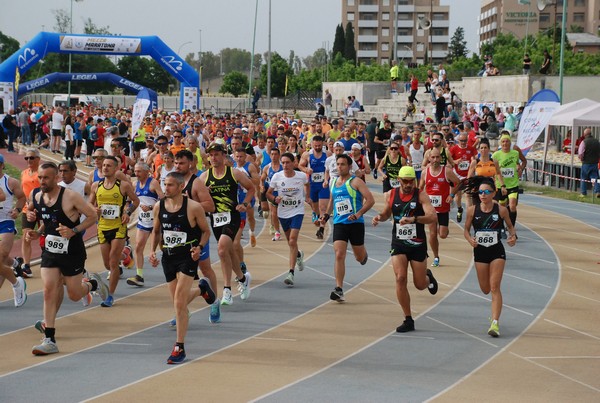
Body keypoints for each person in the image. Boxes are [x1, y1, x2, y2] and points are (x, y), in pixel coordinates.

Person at [25, 162, 109, 355]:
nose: (42, 181)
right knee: (48, 290)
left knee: (74, 294)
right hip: (50, 252)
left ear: (56, 178)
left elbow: (91, 216)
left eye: (46, 177)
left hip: (72, 252)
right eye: (40, 177)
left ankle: (93, 284)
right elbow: (45, 220)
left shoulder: (70, 196)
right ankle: (49, 339)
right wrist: (36, 232)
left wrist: (74, 231)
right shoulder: (37, 196)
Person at [149, 172, 214, 364]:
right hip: (168, 256)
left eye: (169, 185)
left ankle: (179, 347)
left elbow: (206, 231)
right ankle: (202, 288)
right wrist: (152, 251)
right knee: (179, 302)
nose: (165, 188)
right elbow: (156, 230)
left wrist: (199, 249)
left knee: (178, 304)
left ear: (180, 187)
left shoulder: (193, 207)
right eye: (164, 184)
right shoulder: (158, 206)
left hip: (188, 256)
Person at [372, 166, 438, 333]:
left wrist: (414, 219)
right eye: (406, 181)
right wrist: (379, 217)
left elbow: (433, 216)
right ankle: (408, 319)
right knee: (400, 278)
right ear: (399, 180)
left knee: (420, 284)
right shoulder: (392, 194)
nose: (409, 184)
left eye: (411, 181)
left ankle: (428, 278)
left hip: (417, 244)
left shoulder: (420, 195)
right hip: (399, 243)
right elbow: (387, 214)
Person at [199, 143, 255, 306]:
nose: (214, 158)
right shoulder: (204, 177)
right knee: (228, 252)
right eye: (211, 155)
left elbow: (251, 188)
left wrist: (244, 204)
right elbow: (197, 198)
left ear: (224, 156)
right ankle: (243, 279)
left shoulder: (234, 173)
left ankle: (227, 290)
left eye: (217, 154)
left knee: (222, 249)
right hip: (216, 219)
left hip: (232, 217)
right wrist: (205, 192)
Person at [463, 176, 517, 337]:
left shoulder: (501, 210)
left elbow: (510, 227)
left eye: (487, 192)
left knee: (494, 287)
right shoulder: (472, 210)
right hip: (480, 251)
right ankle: (494, 316)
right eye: (480, 192)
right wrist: (469, 239)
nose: (483, 195)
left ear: (493, 194)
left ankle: (495, 322)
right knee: (485, 289)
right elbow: (466, 230)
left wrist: (512, 237)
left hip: (496, 251)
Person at [321, 154, 374, 302]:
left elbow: (370, 200)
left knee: (359, 257)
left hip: (356, 224)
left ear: (350, 166)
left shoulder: (356, 182)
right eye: (338, 164)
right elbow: (332, 201)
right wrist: (325, 216)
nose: (339, 167)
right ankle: (339, 288)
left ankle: (363, 255)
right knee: (339, 254)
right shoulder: (333, 182)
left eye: (343, 164)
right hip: (339, 223)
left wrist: (358, 214)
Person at [89, 156, 140, 307]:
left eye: (109, 166)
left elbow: (136, 201)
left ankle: (110, 296)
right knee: (107, 264)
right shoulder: (96, 186)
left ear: (116, 168)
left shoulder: (123, 186)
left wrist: (128, 213)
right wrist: (94, 209)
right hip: (103, 227)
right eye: (104, 165)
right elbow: (89, 204)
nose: (105, 168)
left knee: (112, 261)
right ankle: (125, 254)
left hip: (118, 227)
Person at [267, 152, 309, 286]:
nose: (285, 165)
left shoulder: (301, 176)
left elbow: (307, 184)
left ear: (293, 163)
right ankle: (298, 255)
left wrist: (306, 196)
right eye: (283, 163)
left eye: (287, 162)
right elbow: (268, 193)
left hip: (297, 211)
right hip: (283, 213)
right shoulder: (277, 177)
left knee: (292, 240)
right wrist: (274, 199)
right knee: (290, 243)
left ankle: (291, 272)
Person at [420, 148, 460, 268]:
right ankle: (436, 256)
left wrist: (451, 195)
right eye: (433, 157)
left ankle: (443, 228)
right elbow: (420, 188)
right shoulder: (425, 172)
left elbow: (458, 183)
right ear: (429, 158)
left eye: (437, 157)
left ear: (441, 158)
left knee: (442, 235)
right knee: (432, 235)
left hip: (443, 208)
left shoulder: (446, 171)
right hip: (430, 209)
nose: (435, 160)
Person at [128, 162, 163, 287]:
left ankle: (173, 267)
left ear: (146, 171)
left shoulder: (153, 183)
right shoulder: (134, 184)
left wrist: (150, 207)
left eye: (139, 171)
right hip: (143, 221)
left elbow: (163, 200)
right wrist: (128, 211)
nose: (136, 174)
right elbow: (132, 202)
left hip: (156, 221)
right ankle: (139, 276)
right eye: (135, 171)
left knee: (164, 247)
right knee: (138, 247)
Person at [0, 156, 24, 306]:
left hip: (6, 221)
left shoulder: (10, 182)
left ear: (2, 165)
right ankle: (15, 263)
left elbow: (22, 198)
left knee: (1, 256)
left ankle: (17, 285)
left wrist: (18, 210)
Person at [493, 134, 527, 230]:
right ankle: (502, 226)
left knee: (512, 206)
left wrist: (519, 169)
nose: (505, 143)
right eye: (503, 141)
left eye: (507, 141)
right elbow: (494, 170)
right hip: (501, 185)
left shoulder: (515, 153)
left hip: (513, 184)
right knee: (502, 207)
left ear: (510, 143)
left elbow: (518, 163)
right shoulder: (496, 155)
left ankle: (511, 227)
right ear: (500, 143)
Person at [18, 149, 41, 278]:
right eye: (26, 158)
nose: (28, 160)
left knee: (45, 237)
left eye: (31, 158)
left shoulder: (42, 173)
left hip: (42, 209)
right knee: (26, 237)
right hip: (28, 209)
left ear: (38, 159)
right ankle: (27, 266)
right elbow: (23, 191)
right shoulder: (24, 173)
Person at [450, 133, 477, 222]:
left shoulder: (471, 149)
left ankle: (470, 214)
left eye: (465, 140)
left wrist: (473, 161)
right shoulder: (454, 149)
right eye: (461, 141)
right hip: (458, 175)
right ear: (458, 140)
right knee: (458, 196)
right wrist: (455, 161)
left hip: (468, 175)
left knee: (468, 195)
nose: (463, 142)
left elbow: (475, 158)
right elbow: (449, 161)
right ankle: (459, 208)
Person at [577, 128, 600, 198]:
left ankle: (583, 193)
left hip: (586, 163)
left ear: (585, 134)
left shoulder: (584, 142)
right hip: (595, 163)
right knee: (595, 178)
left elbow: (580, 153)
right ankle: (598, 191)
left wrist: (581, 159)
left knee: (583, 178)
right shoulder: (597, 142)